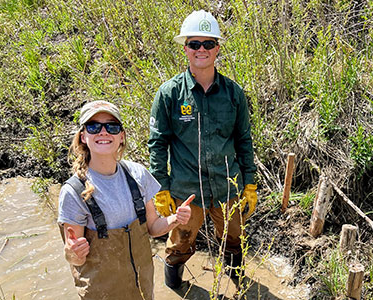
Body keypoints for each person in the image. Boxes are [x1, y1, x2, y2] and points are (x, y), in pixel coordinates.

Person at [148, 10, 258, 289]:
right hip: (187, 192)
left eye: (208, 44)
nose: (201, 50)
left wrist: (250, 184)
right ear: (185, 48)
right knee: (179, 244)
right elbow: (158, 144)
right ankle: (174, 287)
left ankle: (237, 281)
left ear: (217, 48)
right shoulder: (170, 94)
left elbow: (244, 141)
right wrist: (161, 188)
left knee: (234, 239)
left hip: (227, 188)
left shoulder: (234, 94)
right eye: (195, 44)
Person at [57, 100, 194, 300]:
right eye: (94, 126)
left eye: (111, 127)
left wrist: (176, 219)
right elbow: (75, 260)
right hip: (101, 292)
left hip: (143, 287)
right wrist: (72, 252)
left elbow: (153, 227)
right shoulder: (73, 191)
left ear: (121, 136)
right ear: (83, 136)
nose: (103, 132)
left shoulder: (138, 174)